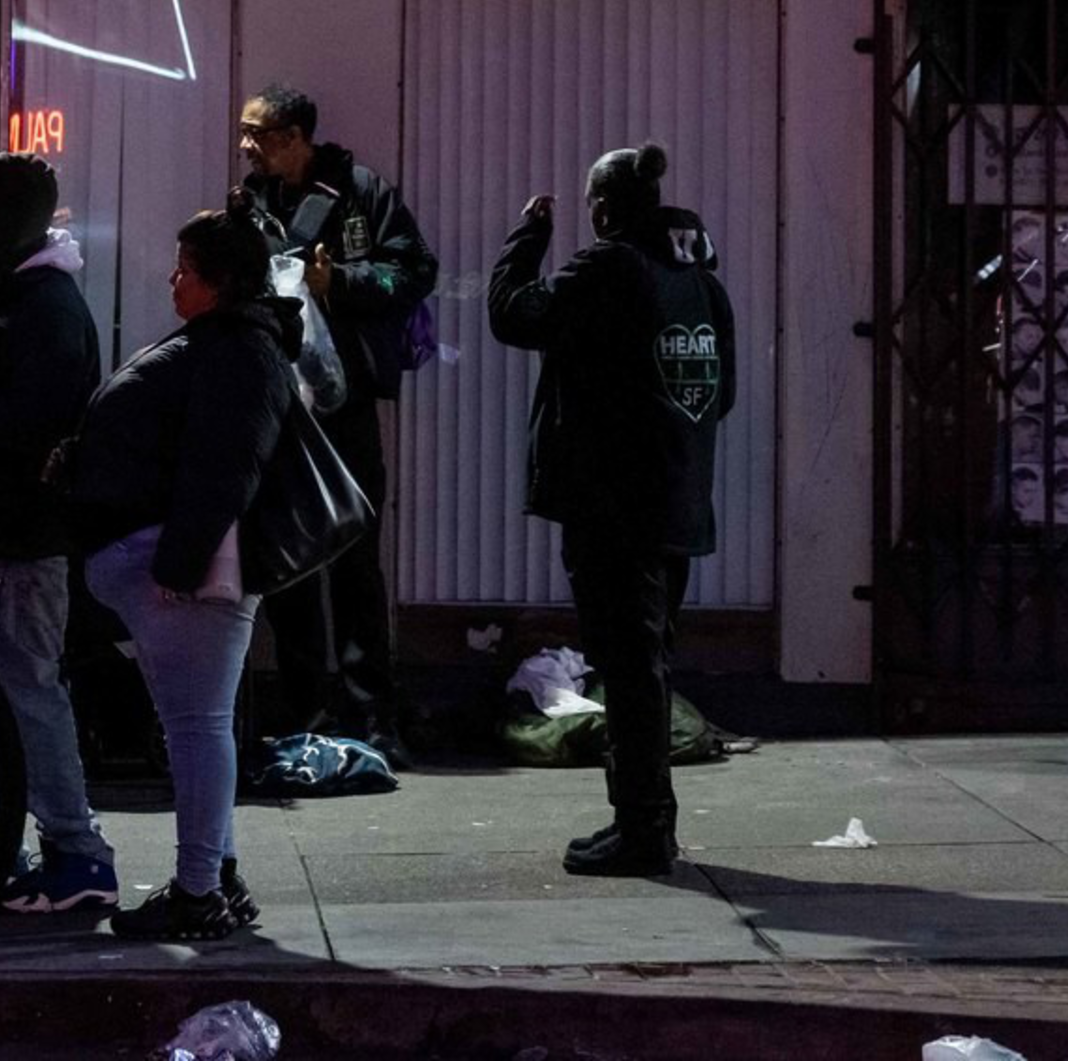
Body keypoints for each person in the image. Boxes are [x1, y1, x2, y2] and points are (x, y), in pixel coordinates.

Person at [486, 144, 738, 878]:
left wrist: (527, 237)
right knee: (646, 663)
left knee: (627, 666)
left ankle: (643, 829)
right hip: (679, 499)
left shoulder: (607, 267)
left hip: (615, 505)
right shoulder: (702, 284)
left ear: (601, 208)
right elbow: (719, 395)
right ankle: (643, 820)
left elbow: (513, 313)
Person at [64, 202, 299, 944]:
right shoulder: (234, 343)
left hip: (184, 569)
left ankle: (198, 891)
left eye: (186, 270)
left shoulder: (238, 351)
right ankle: (216, 877)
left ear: (220, 281)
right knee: (199, 728)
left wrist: (178, 564)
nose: (173, 280)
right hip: (171, 561)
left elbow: (223, 469)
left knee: (197, 730)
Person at [0, 150, 118, 916]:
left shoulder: (46, 306)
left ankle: (78, 854)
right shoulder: (1, 291)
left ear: (9, 218)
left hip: (21, 542)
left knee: (27, 697)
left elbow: (32, 423)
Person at [232, 81, 436, 751]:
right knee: (288, 562)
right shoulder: (252, 199)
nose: (246, 145)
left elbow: (414, 271)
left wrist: (337, 283)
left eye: (257, 133)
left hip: (343, 405)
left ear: (294, 137)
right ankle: (303, 716)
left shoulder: (363, 191)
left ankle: (370, 719)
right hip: (276, 405)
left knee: (354, 561)